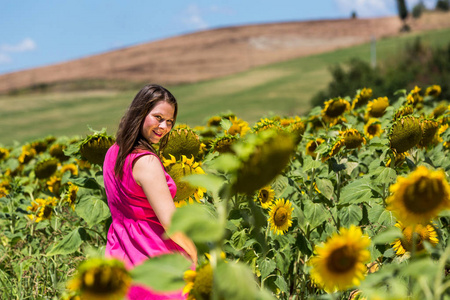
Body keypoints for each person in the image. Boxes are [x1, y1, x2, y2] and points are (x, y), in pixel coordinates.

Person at [103, 84, 197, 299]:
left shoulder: (113, 152)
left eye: (170, 121)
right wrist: (194, 254)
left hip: (119, 253)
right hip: (154, 256)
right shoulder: (146, 161)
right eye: (158, 117)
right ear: (141, 112)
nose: (163, 126)